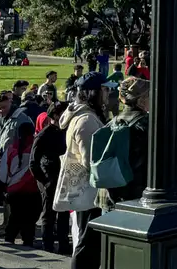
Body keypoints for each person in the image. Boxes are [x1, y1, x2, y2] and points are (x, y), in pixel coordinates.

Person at [53, 73, 108, 269]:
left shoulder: (85, 116)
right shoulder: (86, 120)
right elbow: (90, 160)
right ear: (94, 92)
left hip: (87, 189)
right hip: (89, 190)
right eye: (104, 88)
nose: (108, 92)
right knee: (87, 244)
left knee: (86, 241)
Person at [101, 78, 150, 208]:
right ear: (142, 100)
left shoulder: (112, 123)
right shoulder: (147, 125)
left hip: (110, 194)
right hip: (138, 195)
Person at [32, 101, 69, 254]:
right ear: (55, 115)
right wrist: (44, 181)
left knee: (64, 213)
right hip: (49, 179)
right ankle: (47, 245)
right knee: (49, 214)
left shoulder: (66, 132)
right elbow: (33, 162)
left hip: (63, 177)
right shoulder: (44, 135)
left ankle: (63, 244)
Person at [0, 121, 38, 245]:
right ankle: (28, 240)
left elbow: (2, 175)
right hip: (33, 191)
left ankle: (9, 239)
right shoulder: (35, 148)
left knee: (14, 217)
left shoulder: (11, 149)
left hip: (14, 191)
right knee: (29, 219)